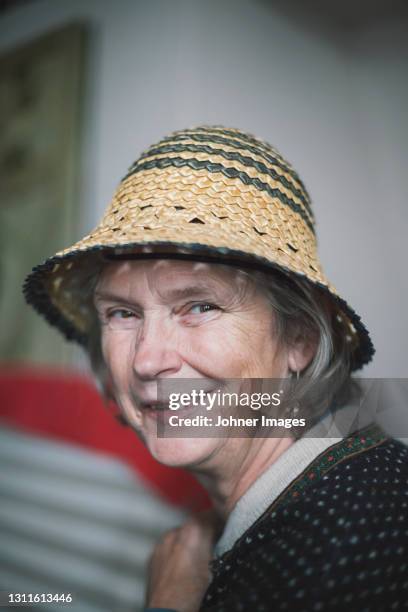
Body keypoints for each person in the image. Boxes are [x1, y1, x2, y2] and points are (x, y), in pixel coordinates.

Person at [24, 126, 408, 612]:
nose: (146, 360)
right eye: (122, 313)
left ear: (300, 339)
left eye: (200, 306)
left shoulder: (343, 543)